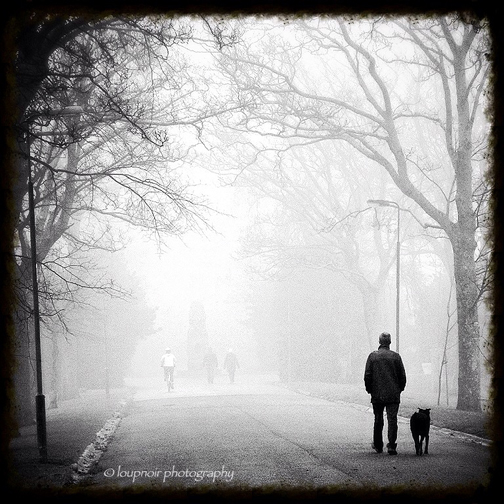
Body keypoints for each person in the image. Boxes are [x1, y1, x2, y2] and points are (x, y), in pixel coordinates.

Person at [364, 332, 407, 455]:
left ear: (379, 342)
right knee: (392, 419)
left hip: (377, 393)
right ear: (390, 342)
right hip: (393, 393)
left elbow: (368, 375)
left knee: (378, 419)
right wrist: (399, 389)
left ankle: (378, 445)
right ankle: (392, 445)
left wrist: (369, 389)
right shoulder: (396, 357)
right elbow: (402, 376)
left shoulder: (373, 356)